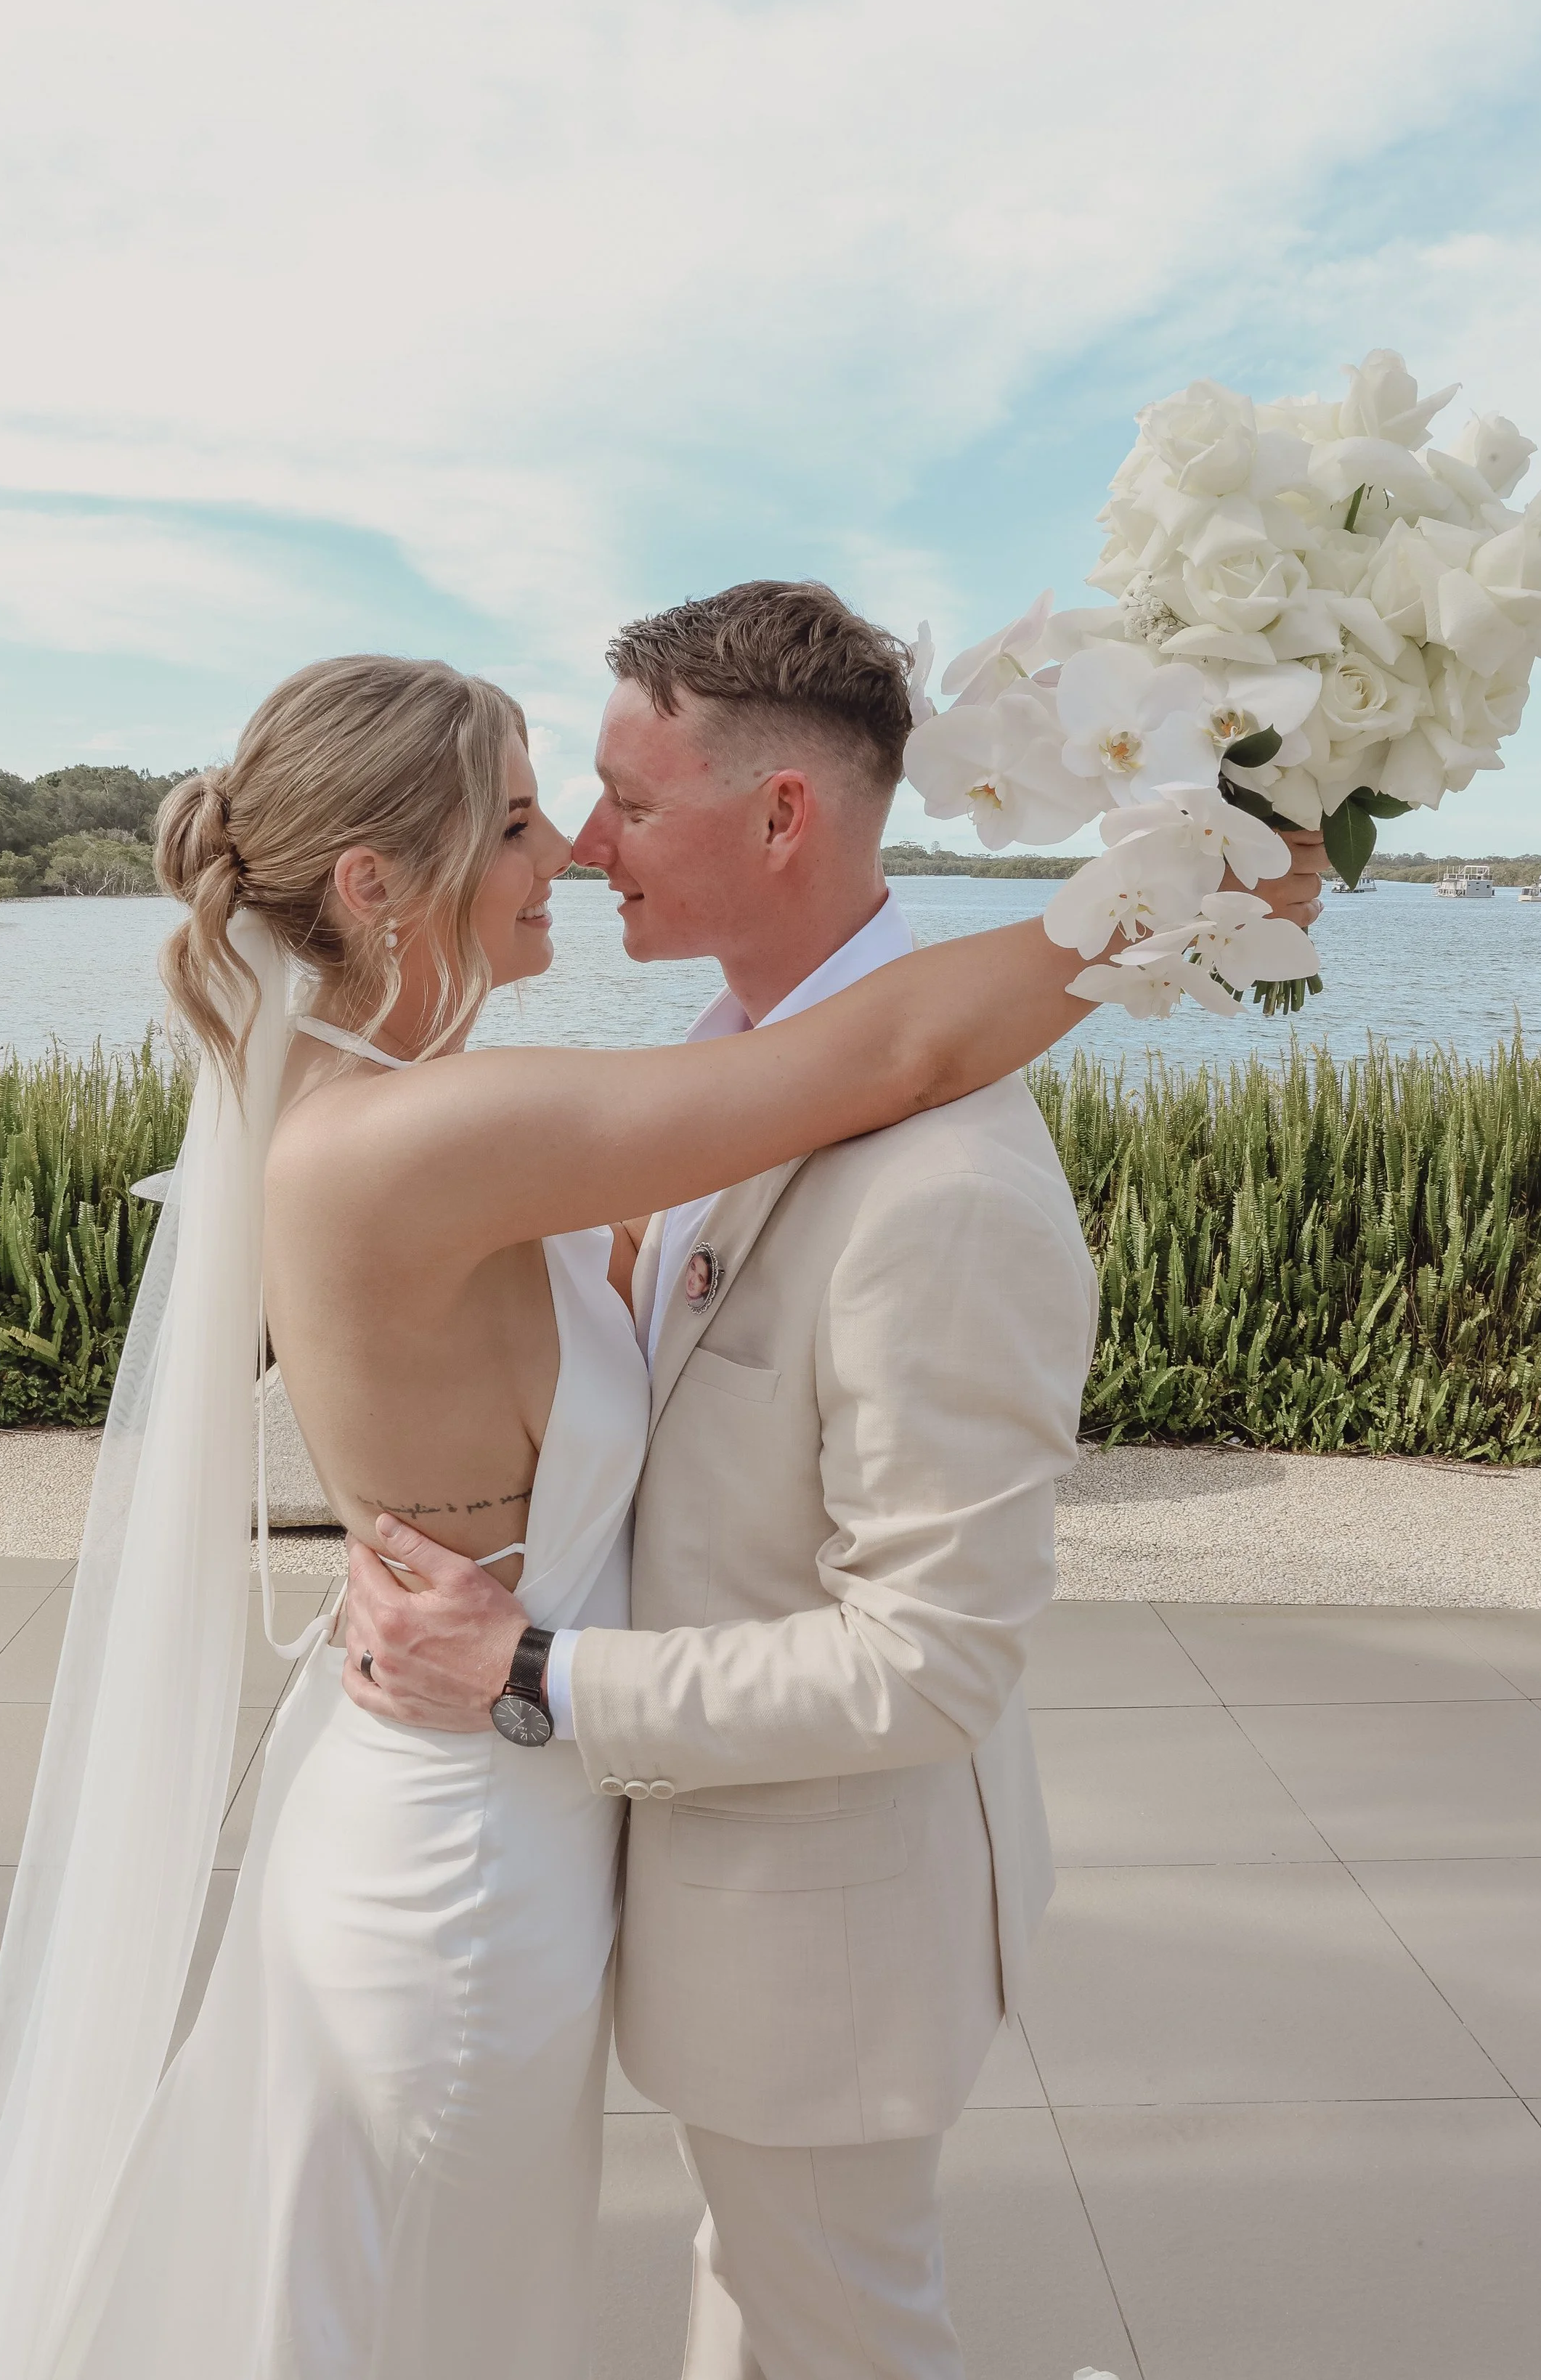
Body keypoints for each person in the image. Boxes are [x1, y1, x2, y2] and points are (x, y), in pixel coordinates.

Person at [0, 635, 1322, 2380]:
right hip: (464, 1847)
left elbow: (667, 1282)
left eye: (587, 805)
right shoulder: (415, 1138)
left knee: (417, 2292)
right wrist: (1201, 884)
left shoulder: (409, 1119)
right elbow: (874, 1056)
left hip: (504, 1812)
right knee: (416, 2308)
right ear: (378, 881)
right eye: (517, 822)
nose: (568, 848)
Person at [341, 584, 1326, 2379]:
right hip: (700, 1885)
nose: (581, 842)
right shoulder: (724, 1068)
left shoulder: (942, 1193)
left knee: (841, 2338)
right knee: (762, 2311)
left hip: (821, 1936)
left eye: (628, 805)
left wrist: (533, 1678)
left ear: (779, 815)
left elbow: (931, 1662)